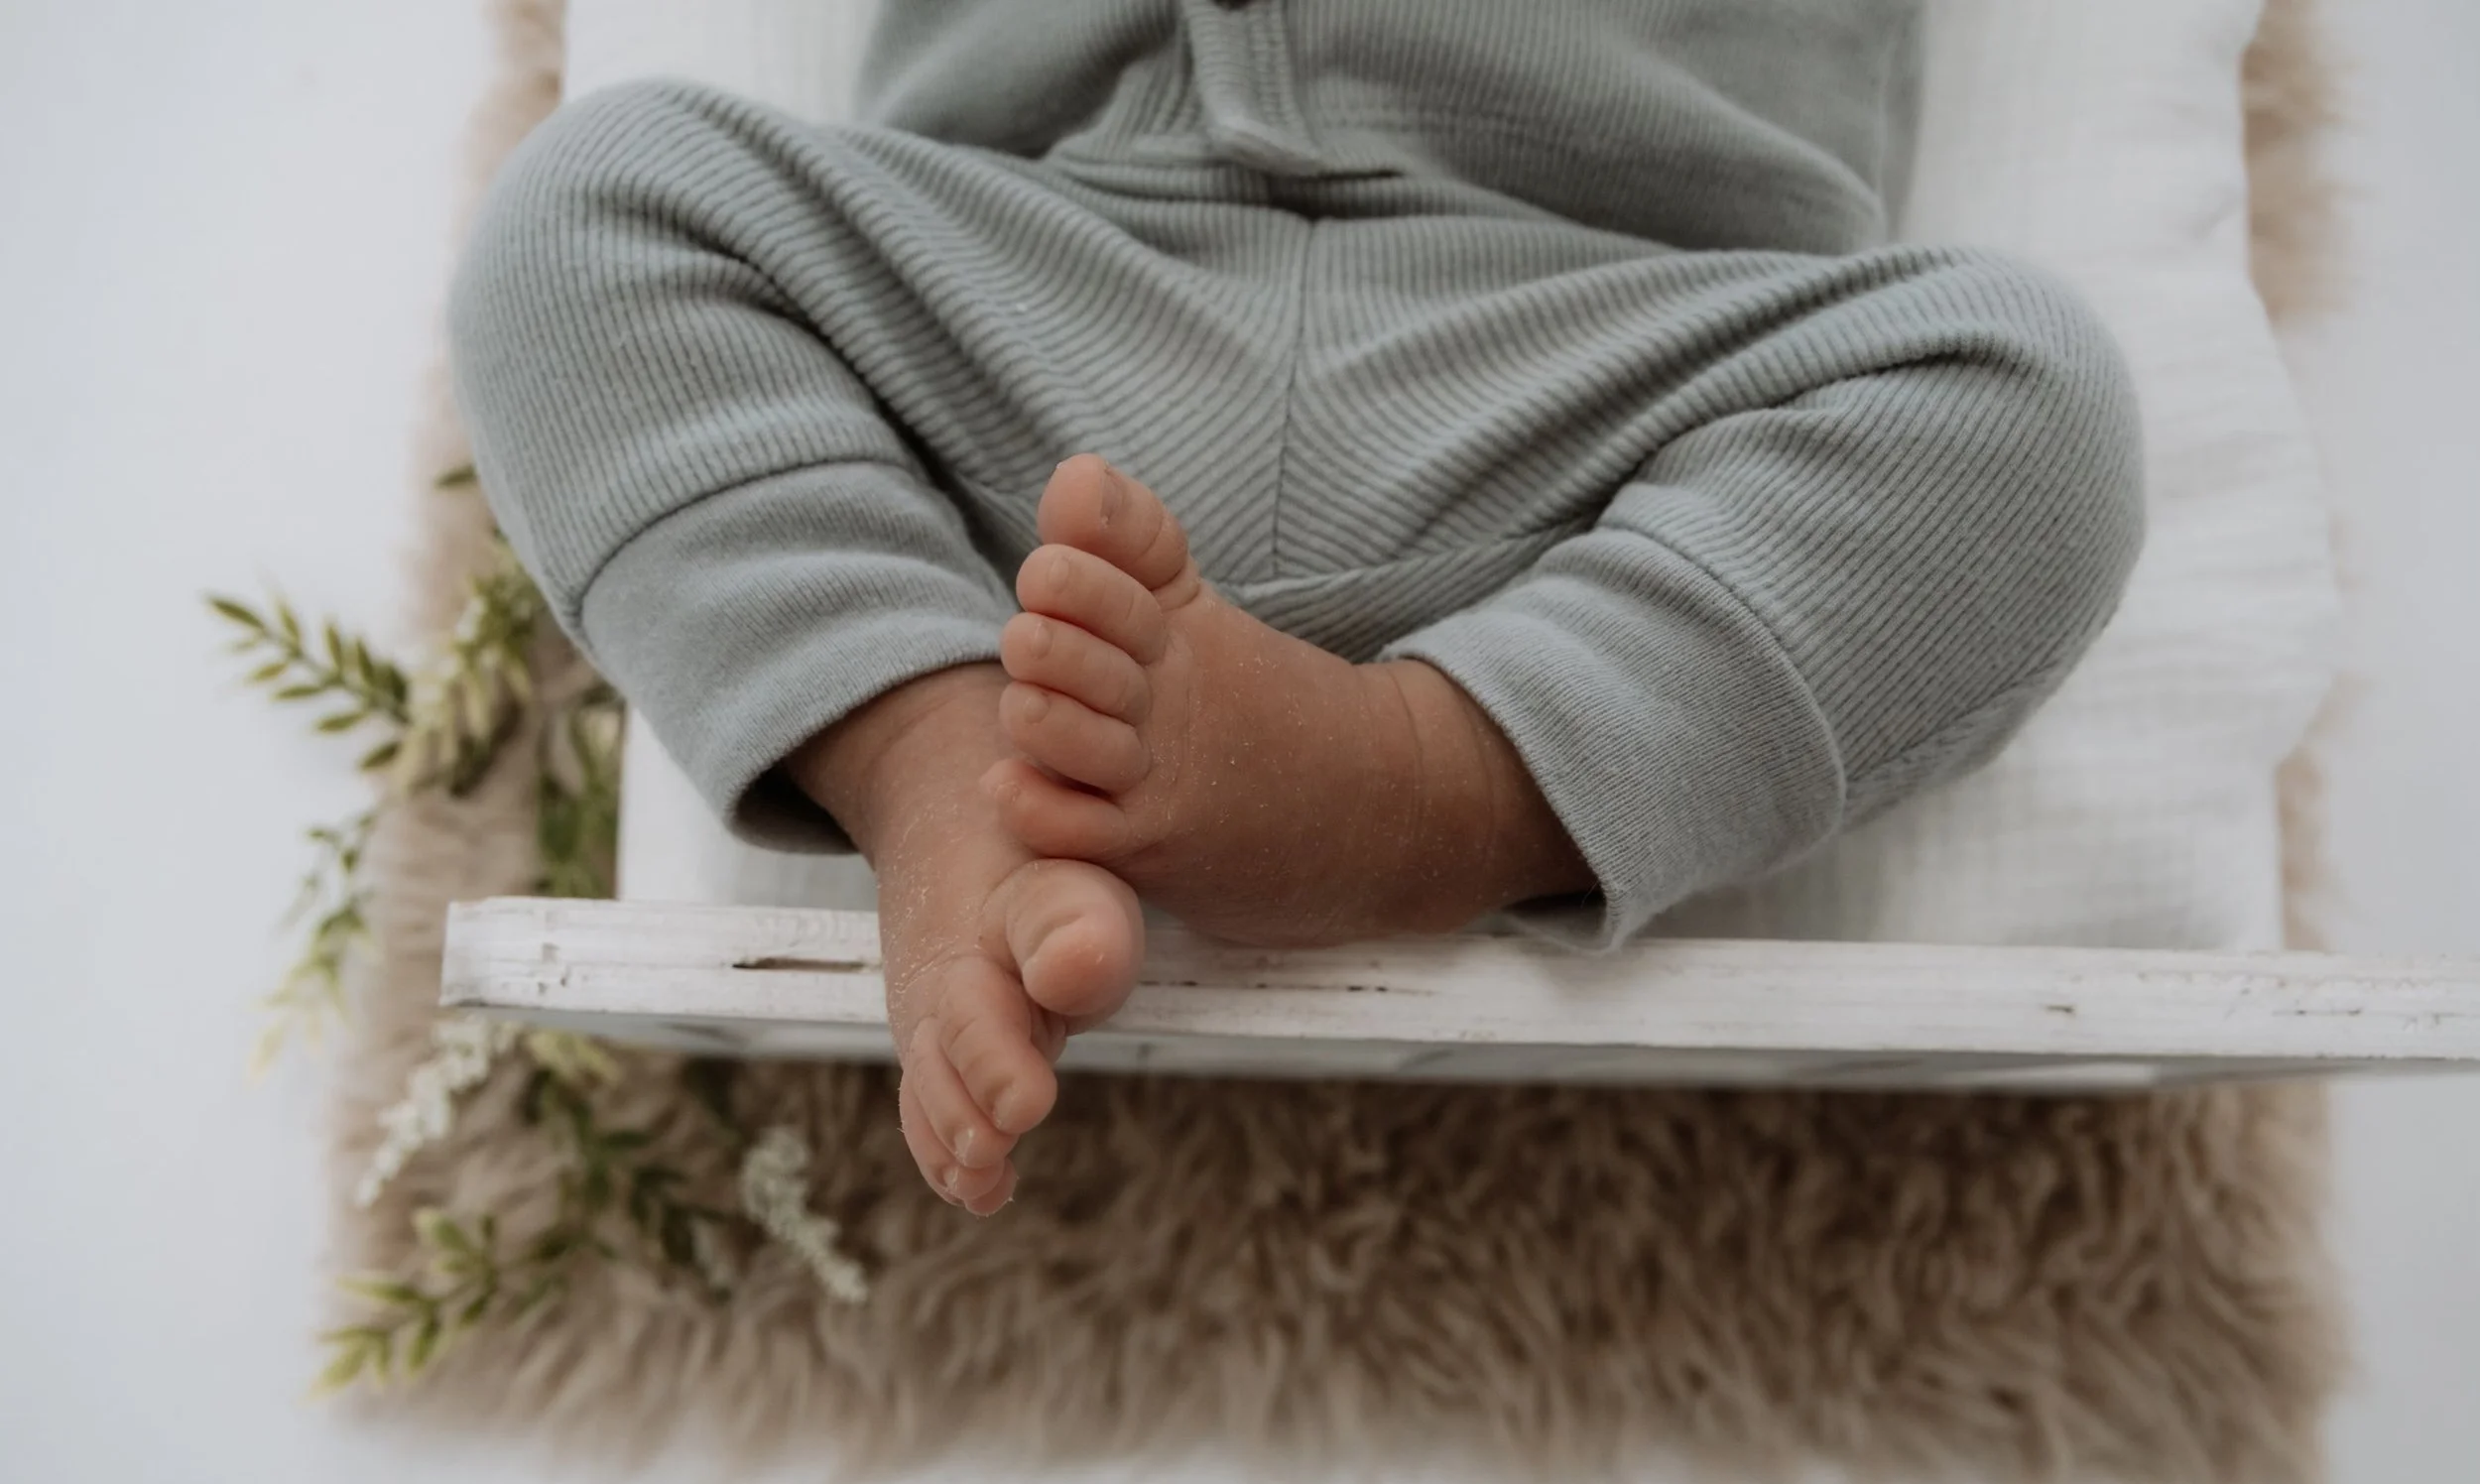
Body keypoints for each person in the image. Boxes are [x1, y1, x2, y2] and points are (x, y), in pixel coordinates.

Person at [448, 0, 2145, 1216]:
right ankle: (933, 753)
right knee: (584, 205)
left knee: (2034, 401)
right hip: (1027, 291)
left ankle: (1425, 783)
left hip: (1609, 346)